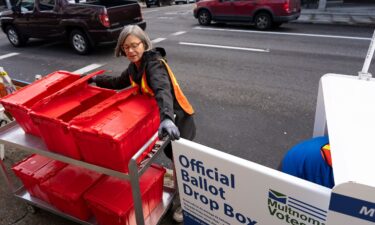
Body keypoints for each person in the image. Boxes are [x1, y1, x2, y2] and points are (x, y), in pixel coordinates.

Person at [91, 25, 196, 223]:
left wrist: (166, 117)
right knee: (175, 163)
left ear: (144, 43)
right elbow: (118, 81)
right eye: (125, 47)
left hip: (177, 121)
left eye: (134, 45)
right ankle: (179, 196)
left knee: (182, 166)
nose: (130, 51)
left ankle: (184, 206)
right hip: (163, 121)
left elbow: (162, 89)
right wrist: (96, 79)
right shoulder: (134, 67)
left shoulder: (154, 64)